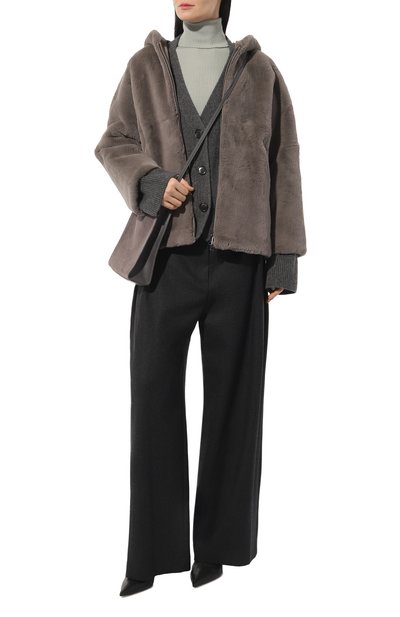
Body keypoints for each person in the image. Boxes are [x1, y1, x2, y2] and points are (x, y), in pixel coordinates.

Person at [94, 0, 307, 596]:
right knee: (153, 402)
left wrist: (285, 256)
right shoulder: (144, 66)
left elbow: (284, 160)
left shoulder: (261, 72)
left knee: (236, 406)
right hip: (164, 260)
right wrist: (149, 181)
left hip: (242, 261)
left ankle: (218, 547)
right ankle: (151, 554)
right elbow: (114, 141)